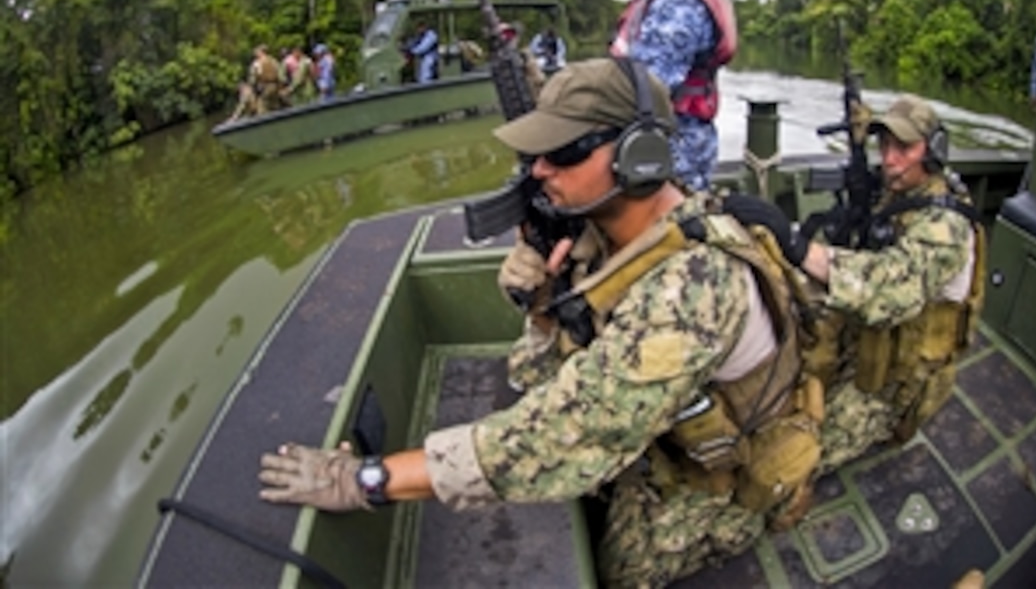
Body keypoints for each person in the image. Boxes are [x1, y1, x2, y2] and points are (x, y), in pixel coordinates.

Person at [257, 58, 823, 588]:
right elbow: (534, 375)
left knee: (623, 566)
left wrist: (366, 481)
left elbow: (560, 436)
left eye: (564, 151)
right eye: (537, 154)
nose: (540, 170)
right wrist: (543, 306)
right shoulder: (609, 233)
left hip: (725, 474)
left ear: (639, 156)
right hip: (660, 429)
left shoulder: (693, 287)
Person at [724, 95, 986, 475]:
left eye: (905, 148)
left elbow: (889, 290)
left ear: (933, 154)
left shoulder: (945, 229)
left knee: (787, 461)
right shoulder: (903, 191)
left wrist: (794, 245)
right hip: (868, 336)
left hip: (893, 380)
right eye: (886, 145)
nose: (890, 159)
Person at [605, 0, 738, 192]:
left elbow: (650, 84)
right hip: (656, 139)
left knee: (676, 226)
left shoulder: (679, 4)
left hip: (676, 144)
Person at [248, 44, 285, 115]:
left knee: (262, 109)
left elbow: (252, 80)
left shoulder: (256, 64)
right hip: (275, 88)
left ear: (261, 52)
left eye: (257, 52)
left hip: (264, 89)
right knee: (275, 108)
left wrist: (253, 89)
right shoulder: (274, 61)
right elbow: (281, 77)